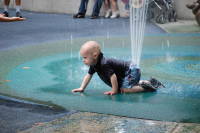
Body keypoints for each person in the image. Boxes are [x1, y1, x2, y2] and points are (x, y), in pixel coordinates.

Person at [72, 41, 165, 95]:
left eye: (85, 58)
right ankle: (148, 82)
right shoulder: (94, 64)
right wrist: (81, 88)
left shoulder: (104, 64)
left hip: (132, 69)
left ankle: (149, 88)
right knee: (125, 83)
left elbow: (113, 77)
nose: (83, 60)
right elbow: (88, 75)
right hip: (130, 70)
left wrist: (114, 90)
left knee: (124, 89)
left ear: (95, 55)